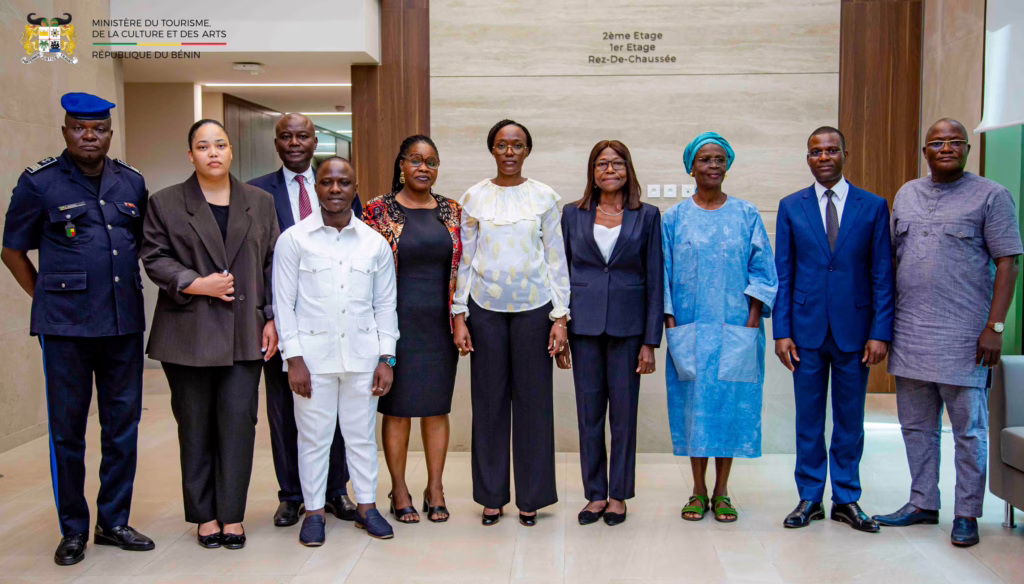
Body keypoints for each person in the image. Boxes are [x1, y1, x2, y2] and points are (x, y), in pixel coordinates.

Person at [1, 93, 155, 566]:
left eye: (99, 129)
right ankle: (73, 529)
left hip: (122, 323)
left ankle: (114, 521)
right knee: (68, 431)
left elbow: (144, 243)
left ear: (110, 132)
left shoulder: (131, 181)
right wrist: (46, 299)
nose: (90, 136)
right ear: (64, 130)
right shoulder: (40, 183)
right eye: (79, 128)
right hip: (66, 329)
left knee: (122, 426)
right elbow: (12, 250)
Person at [873, 118, 1023, 548]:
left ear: (967, 150)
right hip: (910, 333)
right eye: (937, 143)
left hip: (966, 338)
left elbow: (1009, 263)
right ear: (925, 152)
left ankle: (966, 513)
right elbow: (891, 263)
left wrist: (995, 327)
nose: (946, 148)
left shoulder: (992, 196)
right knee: (917, 428)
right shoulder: (907, 194)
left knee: (969, 431)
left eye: (955, 142)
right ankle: (922, 502)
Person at [141, 119, 280, 551]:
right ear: (191, 155)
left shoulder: (259, 201)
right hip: (188, 333)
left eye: (220, 144)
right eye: (203, 146)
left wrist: (273, 317)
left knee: (239, 423)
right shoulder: (165, 202)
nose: (213, 153)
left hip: (245, 331)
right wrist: (195, 283)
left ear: (231, 151)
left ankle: (232, 515)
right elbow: (153, 256)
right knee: (196, 425)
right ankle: (204, 516)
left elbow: (275, 263)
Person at [774, 126, 893, 533]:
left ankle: (846, 498)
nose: (823, 157)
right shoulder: (791, 207)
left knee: (849, 420)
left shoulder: (873, 206)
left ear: (845, 154)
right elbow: (783, 274)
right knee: (808, 420)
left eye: (831, 150)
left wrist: (880, 332)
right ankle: (810, 497)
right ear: (807, 158)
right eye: (815, 152)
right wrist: (781, 331)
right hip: (804, 333)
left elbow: (882, 274)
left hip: (855, 333)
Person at [274, 156, 398, 544]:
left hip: (363, 357)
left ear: (355, 188)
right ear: (316, 187)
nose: (335, 190)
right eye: (326, 182)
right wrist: (293, 359)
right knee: (314, 438)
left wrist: (386, 357)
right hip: (312, 361)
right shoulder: (293, 239)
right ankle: (313, 512)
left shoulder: (374, 243)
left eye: (343, 183)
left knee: (360, 436)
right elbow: (283, 304)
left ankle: (366, 506)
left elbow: (385, 306)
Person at [452, 119, 570, 527]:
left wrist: (560, 317)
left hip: (535, 310)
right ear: (492, 149)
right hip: (484, 311)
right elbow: (465, 260)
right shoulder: (474, 198)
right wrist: (458, 313)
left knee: (534, 406)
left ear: (527, 151)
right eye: (502, 145)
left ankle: (531, 497)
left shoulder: (544, 197)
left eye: (517, 145)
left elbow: (556, 259)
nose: (509, 152)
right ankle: (491, 496)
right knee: (488, 404)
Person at [662, 132, 777, 523]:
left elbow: (764, 271)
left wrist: (751, 319)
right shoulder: (675, 218)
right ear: (691, 166)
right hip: (690, 332)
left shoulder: (746, 215)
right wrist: (672, 322)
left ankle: (723, 491)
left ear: (727, 165)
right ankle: (697, 491)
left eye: (719, 159)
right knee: (694, 409)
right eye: (705, 159)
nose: (713, 165)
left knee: (728, 409)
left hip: (737, 332)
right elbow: (663, 274)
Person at [248, 113, 357, 527]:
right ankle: (292, 494)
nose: (295, 143)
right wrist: (269, 316)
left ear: (314, 142)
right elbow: (256, 260)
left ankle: (335, 491)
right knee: (284, 409)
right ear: (276, 143)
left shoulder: (338, 185)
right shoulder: (257, 192)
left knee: (338, 412)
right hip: (282, 324)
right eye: (286, 137)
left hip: (335, 323)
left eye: (303, 136)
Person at [557, 140, 663, 527]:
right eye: (602, 163)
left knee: (623, 416)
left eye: (617, 163)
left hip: (628, 329)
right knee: (589, 416)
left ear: (628, 169)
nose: (610, 169)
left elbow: (655, 279)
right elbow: (561, 273)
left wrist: (651, 341)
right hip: (583, 327)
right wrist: (561, 327)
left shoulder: (647, 216)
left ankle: (618, 495)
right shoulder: (572, 214)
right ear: (592, 171)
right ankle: (595, 495)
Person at [363, 135, 462, 524]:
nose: (424, 167)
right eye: (416, 160)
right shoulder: (377, 210)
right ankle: (399, 487)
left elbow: (464, 269)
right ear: (401, 164)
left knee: (436, 408)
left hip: (438, 326)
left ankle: (435, 487)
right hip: (393, 324)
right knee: (398, 409)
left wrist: (459, 318)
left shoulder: (453, 211)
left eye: (432, 161)